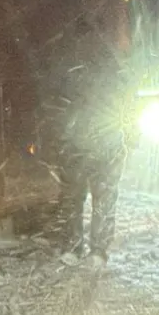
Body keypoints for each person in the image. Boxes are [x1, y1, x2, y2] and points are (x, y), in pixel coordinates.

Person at [53, 59, 135, 268]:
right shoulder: (115, 70)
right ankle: (96, 250)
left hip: (79, 144)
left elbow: (59, 105)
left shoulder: (70, 68)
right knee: (102, 199)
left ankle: (74, 247)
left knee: (74, 197)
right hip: (102, 144)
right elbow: (127, 107)